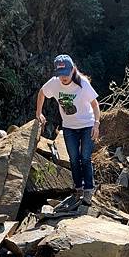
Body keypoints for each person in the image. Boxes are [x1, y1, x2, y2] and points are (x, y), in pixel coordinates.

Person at [36, 54, 100, 206]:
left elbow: (95, 105)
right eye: (60, 75)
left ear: (72, 70)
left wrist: (96, 123)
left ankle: (88, 190)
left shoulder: (82, 84)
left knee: (85, 158)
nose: (63, 78)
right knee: (73, 159)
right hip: (69, 127)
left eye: (66, 74)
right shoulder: (54, 83)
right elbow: (42, 93)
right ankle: (78, 189)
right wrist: (38, 112)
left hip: (87, 125)